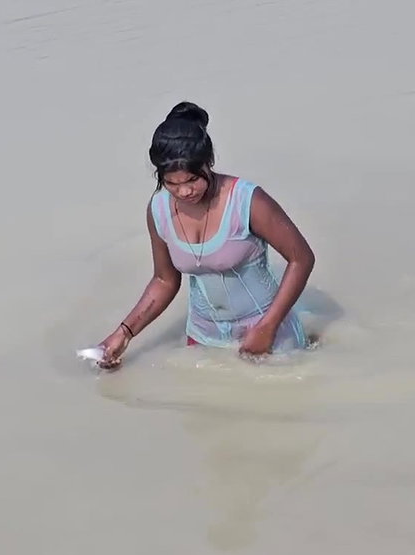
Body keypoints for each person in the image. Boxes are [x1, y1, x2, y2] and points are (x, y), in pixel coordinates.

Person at [98, 101, 316, 367]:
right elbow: (165, 281)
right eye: (172, 183)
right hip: (205, 338)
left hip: (268, 334)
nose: (184, 191)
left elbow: (301, 258)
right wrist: (124, 333)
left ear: (208, 162)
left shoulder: (246, 200)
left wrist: (267, 327)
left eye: (192, 180)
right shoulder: (158, 210)